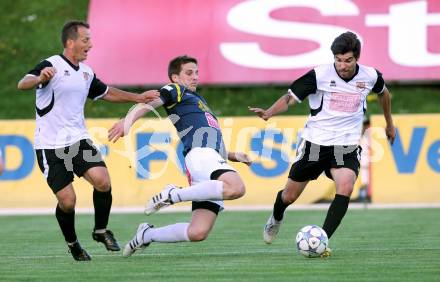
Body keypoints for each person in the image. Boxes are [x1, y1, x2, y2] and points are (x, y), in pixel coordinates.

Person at [17, 20, 159, 261]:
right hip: (49, 146)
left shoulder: (85, 73)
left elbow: (108, 92)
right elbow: (23, 83)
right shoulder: (51, 64)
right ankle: (73, 244)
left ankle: (101, 231)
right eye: (85, 40)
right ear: (70, 42)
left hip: (77, 141)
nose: (90, 45)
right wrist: (40, 77)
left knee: (103, 181)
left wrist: (138, 97)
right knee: (68, 201)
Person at [249, 31, 395, 257]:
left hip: (346, 145)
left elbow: (385, 94)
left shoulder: (370, 76)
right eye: (338, 59)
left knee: (346, 185)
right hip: (315, 144)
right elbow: (290, 98)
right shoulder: (319, 75)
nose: (342, 65)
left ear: (357, 58)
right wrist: (269, 112)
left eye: (348, 60)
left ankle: (321, 241)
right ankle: (276, 217)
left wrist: (389, 124)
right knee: (289, 196)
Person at [108, 55, 251, 257]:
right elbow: (150, 102)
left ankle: (147, 235)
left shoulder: (197, 101)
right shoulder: (175, 89)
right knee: (236, 188)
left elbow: (204, 135)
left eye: (197, 72)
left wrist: (232, 154)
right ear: (175, 77)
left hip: (208, 157)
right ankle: (172, 194)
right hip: (201, 156)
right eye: (189, 73)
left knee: (198, 232)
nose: (195, 77)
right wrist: (127, 120)